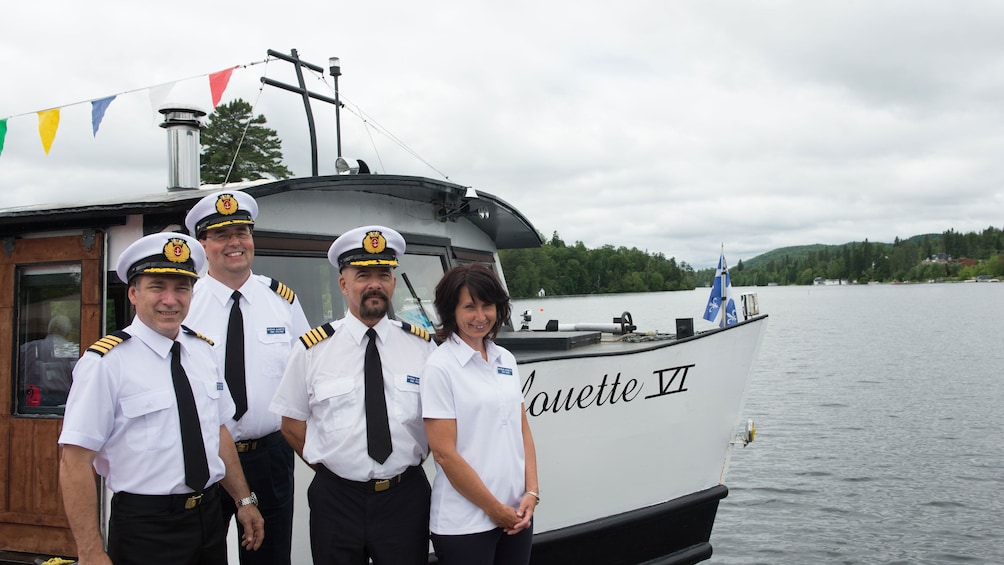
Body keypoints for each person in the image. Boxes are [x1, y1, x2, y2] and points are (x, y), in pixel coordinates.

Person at [58, 232, 264, 565]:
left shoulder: (203, 352)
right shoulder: (105, 364)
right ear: (133, 294)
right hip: (146, 527)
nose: (170, 299)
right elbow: (74, 462)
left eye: (181, 288)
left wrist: (243, 500)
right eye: (157, 287)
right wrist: (90, 551)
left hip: (209, 518)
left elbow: (217, 432)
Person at [271, 225, 437, 565]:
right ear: (343, 283)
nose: (374, 283)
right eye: (363, 274)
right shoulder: (312, 350)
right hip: (337, 499)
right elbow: (290, 424)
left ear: (393, 281)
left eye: (383, 273)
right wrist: (331, 463)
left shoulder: (423, 348)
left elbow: (439, 418)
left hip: (404, 496)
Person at [184, 190, 310, 565]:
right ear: (203, 244)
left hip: (269, 457)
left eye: (242, 232)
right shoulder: (185, 303)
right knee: (202, 556)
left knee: (270, 557)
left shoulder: (281, 300)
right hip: (203, 456)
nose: (235, 243)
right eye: (222, 235)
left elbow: (306, 375)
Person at [421, 263, 539, 565]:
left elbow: (521, 430)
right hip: (466, 524)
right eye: (469, 307)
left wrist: (532, 493)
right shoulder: (440, 367)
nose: (480, 316)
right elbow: (444, 454)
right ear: (451, 311)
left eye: (488, 306)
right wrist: (494, 509)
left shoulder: (506, 359)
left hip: (516, 512)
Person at [19, 314, 77, 407]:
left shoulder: (26, 348)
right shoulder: (72, 350)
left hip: (28, 401)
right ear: (67, 333)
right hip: (62, 401)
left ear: (48, 330)